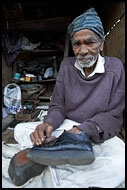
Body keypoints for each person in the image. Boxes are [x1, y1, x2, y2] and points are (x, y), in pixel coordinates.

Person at [14, 8, 125, 188]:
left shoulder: (114, 68)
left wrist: (84, 130)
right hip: (67, 127)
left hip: (99, 129)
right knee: (20, 129)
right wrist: (48, 123)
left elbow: (114, 115)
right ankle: (67, 158)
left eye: (90, 42)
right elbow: (58, 105)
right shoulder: (66, 66)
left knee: (119, 165)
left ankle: (58, 165)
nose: (82, 51)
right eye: (77, 44)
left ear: (101, 44)